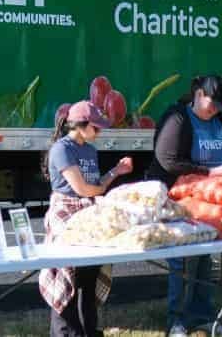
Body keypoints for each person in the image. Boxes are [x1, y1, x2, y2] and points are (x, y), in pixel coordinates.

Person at [39, 100, 133, 337]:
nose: (99, 132)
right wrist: (102, 186)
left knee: (89, 276)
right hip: (67, 213)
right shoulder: (62, 149)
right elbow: (83, 189)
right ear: (81, 125)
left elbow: (96, 185)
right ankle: (66, 332)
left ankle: (88, 329)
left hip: (88, 212)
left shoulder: (90, 150)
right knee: (67, 274)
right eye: (96, 128)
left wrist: (115, 172)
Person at [146, 74, 222, 336]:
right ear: (199, 95)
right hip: (175, 199)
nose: (216, 109)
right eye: (213, 102)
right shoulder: (178, 118)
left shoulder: (219, 120)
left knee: (205, 255)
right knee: (179, 258)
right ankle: (175, 320)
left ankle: (201, 314)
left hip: (208, 201)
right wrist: (210, 172)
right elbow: (168, 161)